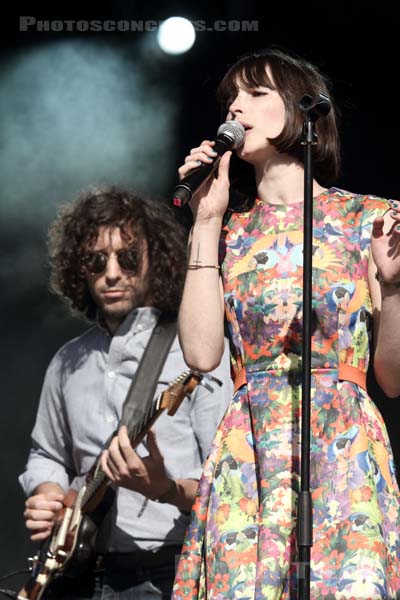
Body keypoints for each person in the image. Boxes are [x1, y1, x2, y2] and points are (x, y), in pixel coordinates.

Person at [172, 48, 400, 599]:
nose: (236, 107)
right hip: (249, 448)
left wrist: (392, 288)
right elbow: (202, 356)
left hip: (341, 442)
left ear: (301, 109)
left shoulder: (369, 219)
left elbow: (392, 378)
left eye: (255, 94)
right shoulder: (229, 230)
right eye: (230, 98)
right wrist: (205, 222)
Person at [19, 186, 232, 600]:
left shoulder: (197, 352)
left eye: (128, 258)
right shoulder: (68, 360)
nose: (112, 273)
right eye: (97, 261)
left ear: (157, 259)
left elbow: (225, 483)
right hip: (77, 572)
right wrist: (47, 495)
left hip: (167, 568)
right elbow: (46, 454)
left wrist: (164, 488)